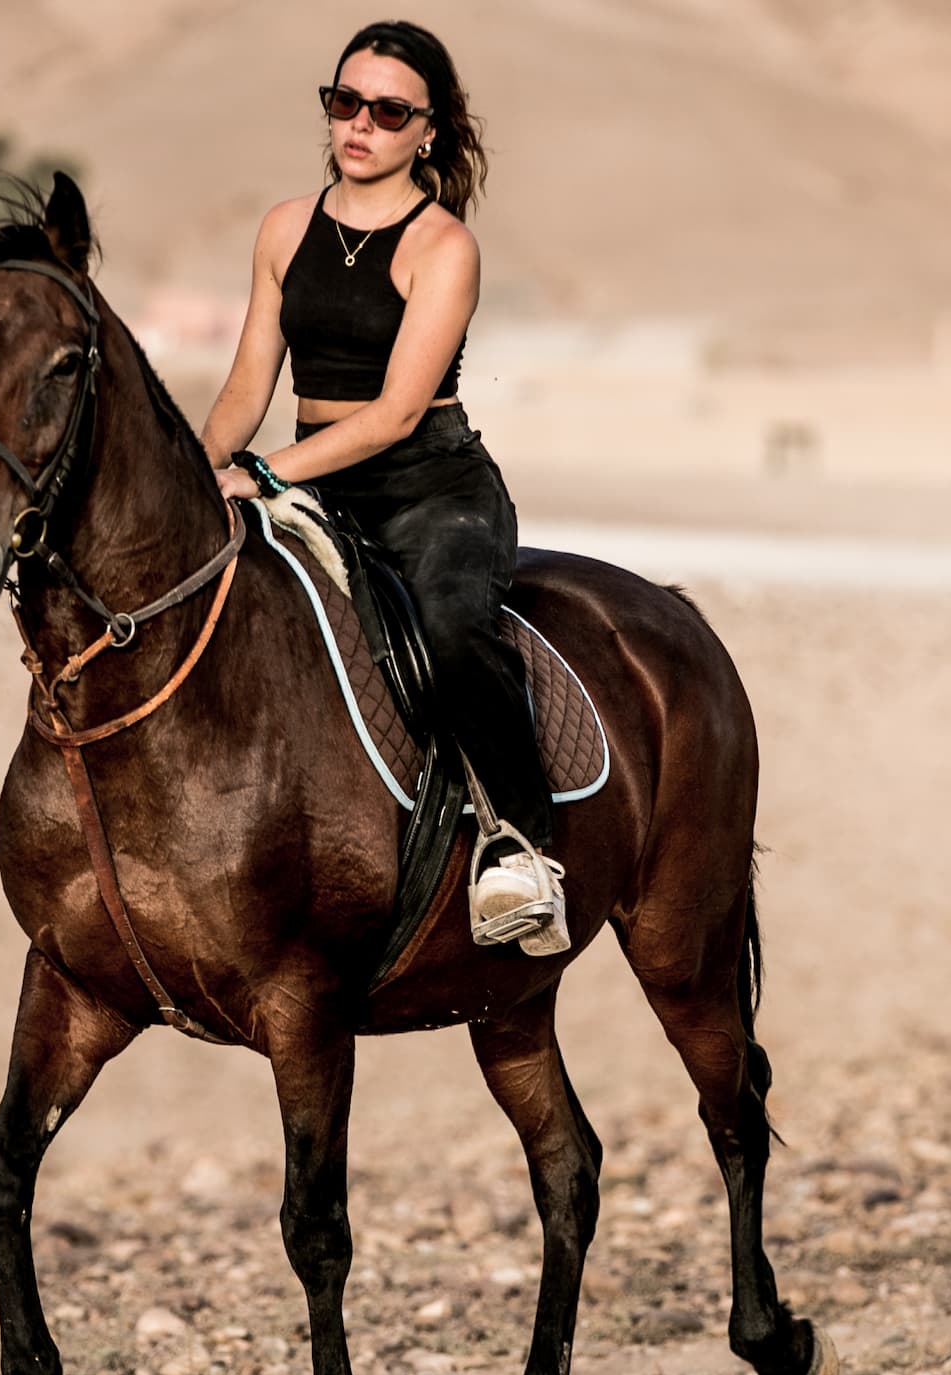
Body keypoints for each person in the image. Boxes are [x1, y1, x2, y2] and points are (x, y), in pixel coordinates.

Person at [203, 20, 568, 955]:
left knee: (449, 630)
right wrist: (200, 474)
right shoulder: (285, 228)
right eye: (345, 102)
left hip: (429, 487)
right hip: (315, 475)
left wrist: (263, 474)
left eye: (389, 111)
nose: (360, 124)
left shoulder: (443, 246)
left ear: (428, 131)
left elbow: (398, 413)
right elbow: (248, 386)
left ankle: (522, 846)